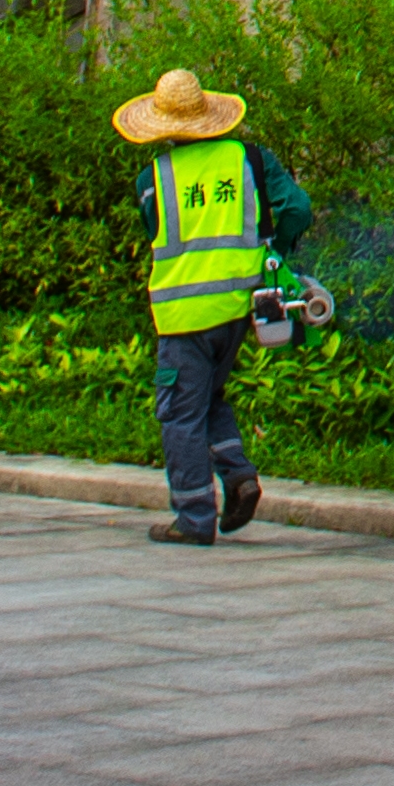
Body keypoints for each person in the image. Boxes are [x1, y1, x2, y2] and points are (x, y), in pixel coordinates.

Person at [117, 66, 316, 545]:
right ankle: (239, 476)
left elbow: (154, 232)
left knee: (179, 415)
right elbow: (297, 210)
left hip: (182, 315)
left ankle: (193, 518)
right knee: (208, 399)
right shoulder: (250, 160)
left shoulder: (154, 177)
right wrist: (276, 254)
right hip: (239, 308)